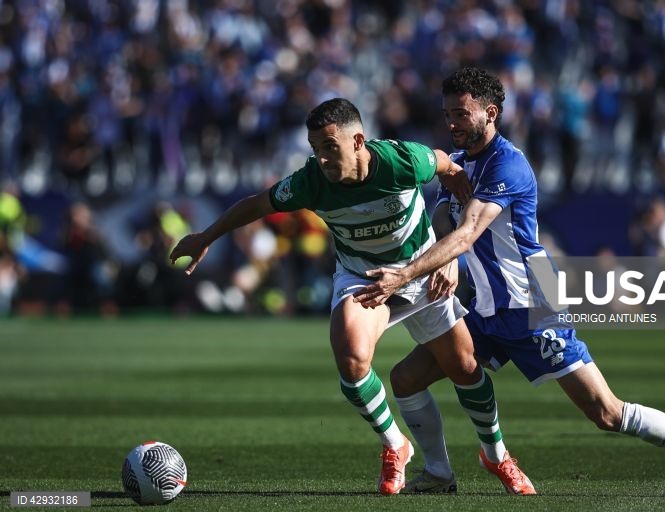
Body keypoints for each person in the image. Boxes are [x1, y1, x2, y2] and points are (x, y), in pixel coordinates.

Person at [353, 67, 665, 499]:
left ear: (490, 113)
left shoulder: (507, 163)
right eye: (447, 114)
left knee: (606, 412)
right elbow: (445, 218)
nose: (452, 122)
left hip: (535, 298)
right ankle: (439, 473)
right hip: (488, 305)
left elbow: (469, 230)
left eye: (461, 113)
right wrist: (443, 257)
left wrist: (405, 274)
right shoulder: (459, 164)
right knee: (406, 378)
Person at [169, 98, 535, 495]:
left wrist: (446, 239)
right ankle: (396, 445)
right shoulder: (311, 181)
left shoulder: (402, 161)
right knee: (351, 358)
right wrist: (206, 236)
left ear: (358, 141)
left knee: (464, 366)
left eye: (330, 147)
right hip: (364, 278)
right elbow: (256, 204)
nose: (323, 158)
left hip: (418, 273)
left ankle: (496, 455)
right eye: (316, 149)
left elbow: (446, 164)